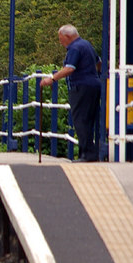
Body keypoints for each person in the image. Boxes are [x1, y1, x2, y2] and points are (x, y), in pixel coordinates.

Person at [41, 25, 101, 162]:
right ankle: (87, 153)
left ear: (67, 37)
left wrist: (52, 78)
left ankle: (87, 154)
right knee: (89, 119)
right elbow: (99, 62)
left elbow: (69, 68)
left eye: (61, 39)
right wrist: (96, 75)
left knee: (80, 119)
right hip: (94, 85)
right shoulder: (86, 45)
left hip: (80, 86)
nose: (60, 42)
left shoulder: (74, 48)